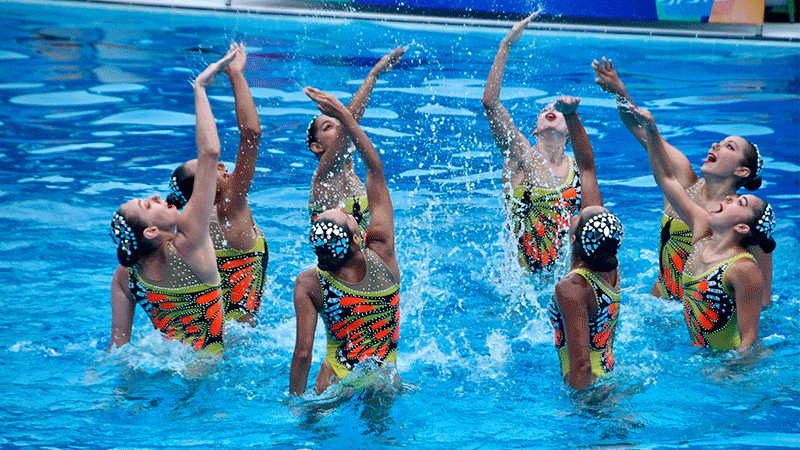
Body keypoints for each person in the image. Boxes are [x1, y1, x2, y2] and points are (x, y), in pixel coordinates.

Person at [592, 57, 773, 308]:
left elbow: (763, 300)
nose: (715, 145)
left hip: (700, 313)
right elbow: (641, 129)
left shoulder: (742, 218)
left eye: (728, 147)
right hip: (658, 305)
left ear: (742, 171)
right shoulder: (684, 180)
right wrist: (620, 91)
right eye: (718, 143)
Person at [108, 48, 236, 353]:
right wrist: (200, 88)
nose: (155, 196)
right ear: (151, 232)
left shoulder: (127, 274)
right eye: (147, 205)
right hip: (206, 372)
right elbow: (210, 154)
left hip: (163, 363)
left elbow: (118, 350)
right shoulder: (190, 244)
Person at [632, 106, 775, 351]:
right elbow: (665, 178)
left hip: (722, 357)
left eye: (739, 202)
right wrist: (651, 130)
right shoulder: (701, 232)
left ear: (742, 227)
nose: (729, 200)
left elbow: (752, 331)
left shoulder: (743, 265)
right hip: (678, 327)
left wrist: (730, 370)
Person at [291, 86, 401, 396]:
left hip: (335, 376)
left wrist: (295, 403)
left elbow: (302, 354)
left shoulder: (311, 282)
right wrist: (347, 110)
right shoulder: (384, 258)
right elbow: (375, 168)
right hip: (383, 377)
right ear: (357, 235)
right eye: (327, 125)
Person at [167, 43, 267, 326]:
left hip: (207, 332)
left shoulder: (188, 226)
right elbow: (251, 135)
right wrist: (236, 73)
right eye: (212, 170)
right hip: (243, 340)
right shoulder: (230, 204)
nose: (221, 166)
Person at [483, 13, 581, 273]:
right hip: (517, 282)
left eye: (556, 109)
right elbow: (491, 104)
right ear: (535, 130)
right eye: (545, 109)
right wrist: (506, 46)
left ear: (570, 132)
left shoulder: (577, 171)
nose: (550, 108)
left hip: (560, 279)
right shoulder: (521, 155)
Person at [547, 96, 623, 389]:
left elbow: (580, 365)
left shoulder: (572, 288)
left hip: (590, 394)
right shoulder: (611, 266)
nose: (576, 212)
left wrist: (580, 414)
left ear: (575, 238)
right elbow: (587, 169)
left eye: (578, 216)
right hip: (608, 377)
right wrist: (572, 116)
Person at [307, 46, 406, 237]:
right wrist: (373, 76)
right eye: (328, 126)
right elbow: (347, 128)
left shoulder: (355, 179)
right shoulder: (324, 178)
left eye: (338, 123)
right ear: (317, 147)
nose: (339, 128)